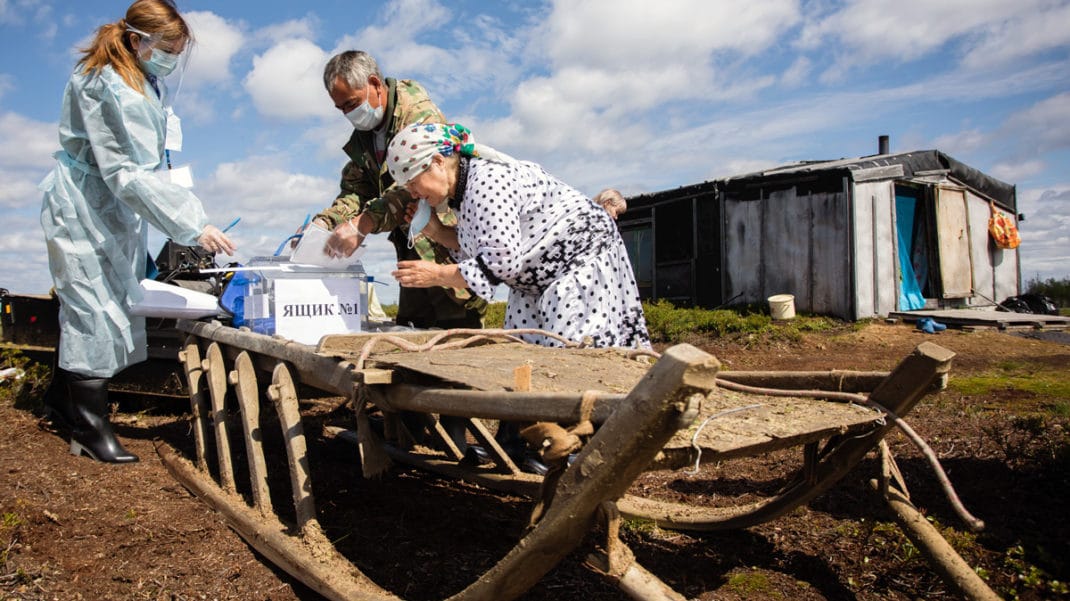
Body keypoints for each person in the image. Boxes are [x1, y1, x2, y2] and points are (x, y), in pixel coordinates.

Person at [39, 0, 236, 464]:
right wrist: (192, 223)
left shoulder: (142, 82)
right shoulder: (103, 84)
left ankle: (59, 403)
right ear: (136, 41)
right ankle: (89, 429)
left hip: (109, 212)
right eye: (166, 47)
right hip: (82, 206)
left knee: (101, 302)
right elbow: (125, 171)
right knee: (93, 307)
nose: (171, 56)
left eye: (177, 48)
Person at [382, 123, 650, 350]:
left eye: (413, 183)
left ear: (438, 162)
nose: (414, 193)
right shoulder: (462, 196)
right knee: (524, 352)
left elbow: (501, 262)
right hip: (537, 280)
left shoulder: (486, 183)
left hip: (580, 263)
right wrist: (437, 231)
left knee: (572, 357)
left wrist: (436, 275)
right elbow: (480, 248)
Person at [311, 51, 485, 330]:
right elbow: (355, 192)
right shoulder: (364, 140)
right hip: (410, 243)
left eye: (351, 103)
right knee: (410, 332)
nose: (347, 113)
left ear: (375, 84)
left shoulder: (417, 112)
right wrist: (325, 223)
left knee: (457, 335)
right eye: (341, 108)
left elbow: (413, 185)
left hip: (444, 242)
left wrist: (362, 224)